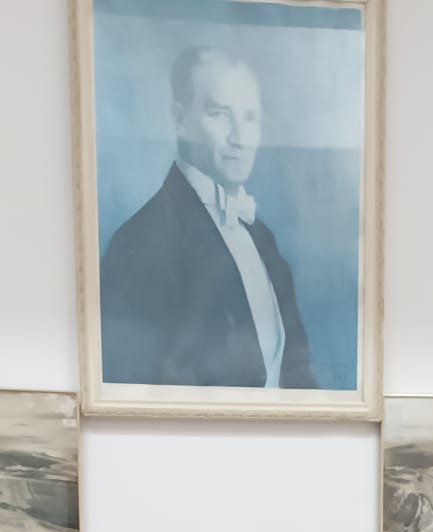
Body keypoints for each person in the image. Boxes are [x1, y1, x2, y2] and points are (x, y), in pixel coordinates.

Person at [99, 46, 317, 391]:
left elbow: (298, 377)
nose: (240, 138)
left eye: (250, 117)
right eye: (220, 114)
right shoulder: (139, 244)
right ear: (181, 120)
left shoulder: (263, 238)